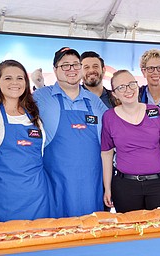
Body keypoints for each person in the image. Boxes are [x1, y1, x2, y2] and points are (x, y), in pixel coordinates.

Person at [33, 47, 108, 218]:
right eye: (65, 65)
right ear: (55, 70)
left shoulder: (94, 102)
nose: (72, 69)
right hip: (56, 185)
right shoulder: (39, 97)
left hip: (91, 185)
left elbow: (115, 132)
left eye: (75, 64)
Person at [0, 60, 50, 222]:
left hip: (36, 197)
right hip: (0, 197)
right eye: (8, 78)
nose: (15, 83)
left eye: (20, 78)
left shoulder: (34, 113)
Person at [101, 69, 160, 213]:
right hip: (126, 186)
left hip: (158, 185)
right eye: (121, 87)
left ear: (138, 86)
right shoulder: (109, 117)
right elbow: (106, 154)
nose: (128, 90)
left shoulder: (156, 113)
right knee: (130, 231)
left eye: (132, 84)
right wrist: (107, 188)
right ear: (114, 93)